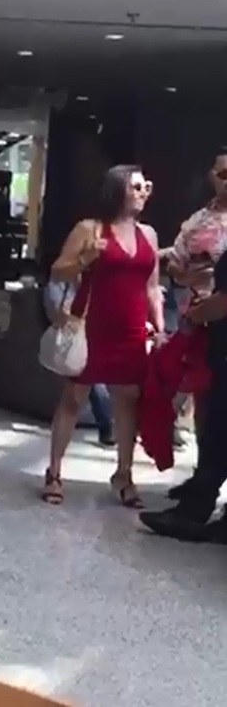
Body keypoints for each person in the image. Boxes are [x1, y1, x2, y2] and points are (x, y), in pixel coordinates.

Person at [43, 165, 162, 508]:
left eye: (146, 187)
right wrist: (85, 257)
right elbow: (57, 270)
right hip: (91, 323)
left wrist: (160, 328)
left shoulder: (149, 235)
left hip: (131, 327)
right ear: (118, 190)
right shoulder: (90, 229)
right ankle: (54, 472)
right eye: (136, 187)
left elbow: (153, 288)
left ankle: (124, 474)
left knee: (128, 400)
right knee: (74, 398)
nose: (143, 193)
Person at [140, 148, 227, 538]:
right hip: (205, 323)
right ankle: (198, 495)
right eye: (221, 173)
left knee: (218, 422)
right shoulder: (200, 216)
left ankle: (195, 510)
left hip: (214, 323)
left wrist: (201, 311)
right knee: (213, 420)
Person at [42, 278, 116, 447]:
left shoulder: (100, 283)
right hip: (73, 339)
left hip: (97, 335)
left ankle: (111, 423)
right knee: (88, 379)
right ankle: (108, 423)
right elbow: (56, 316)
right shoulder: (59, 284)